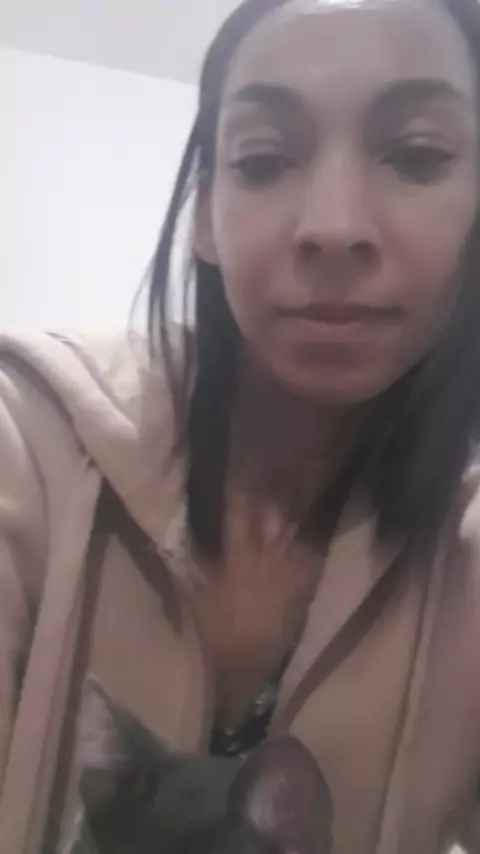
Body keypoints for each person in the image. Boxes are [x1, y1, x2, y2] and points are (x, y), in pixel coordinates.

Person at [1, 0, 480, 851]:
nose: (333, 228)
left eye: (418, 155)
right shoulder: (22, 437)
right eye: (262, 160)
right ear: (203, 214)